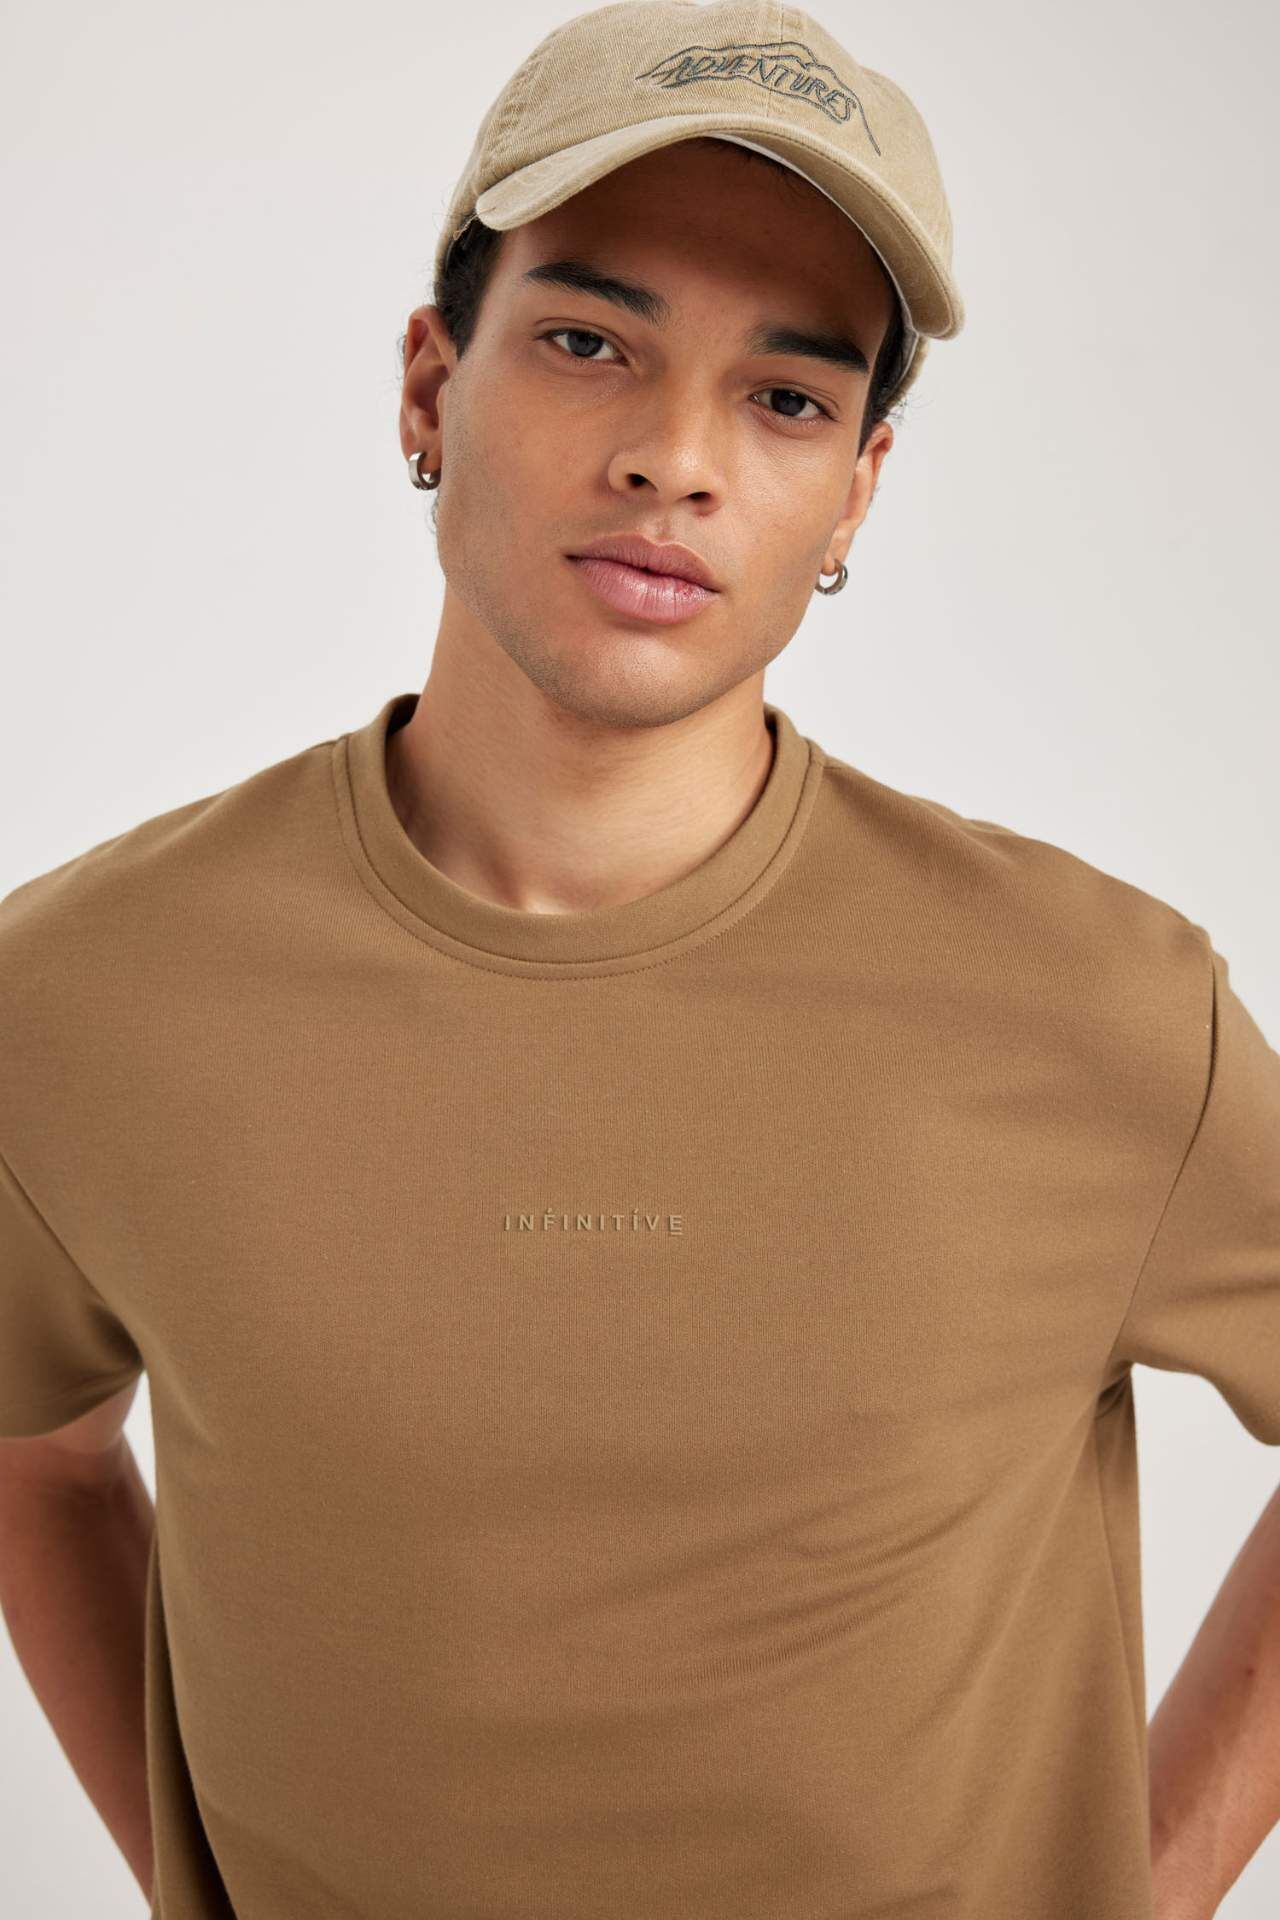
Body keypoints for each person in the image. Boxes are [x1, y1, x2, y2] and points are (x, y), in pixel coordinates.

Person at [1, 1, 1277, 1915]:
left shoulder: (1100, 1013)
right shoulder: (84, 999)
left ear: (856, 491)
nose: (676, 460)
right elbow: (32, 1455)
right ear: (430, 385)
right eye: (592, 344)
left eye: (787, 399)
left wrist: (1144, 1885)